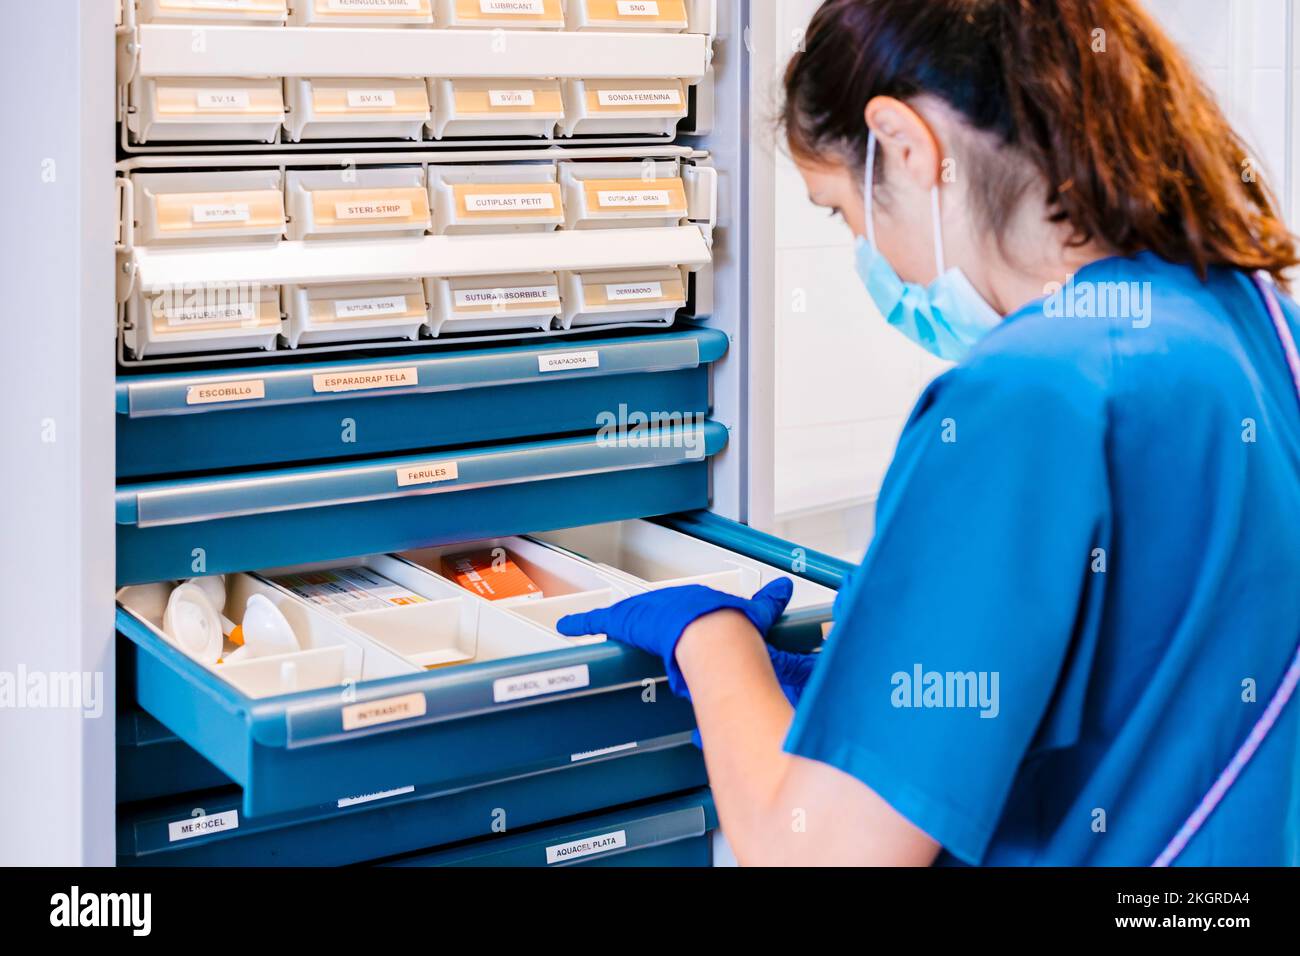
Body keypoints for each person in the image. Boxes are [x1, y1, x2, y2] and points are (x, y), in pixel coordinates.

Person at [558, 0, 1300, 866]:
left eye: (841, 210)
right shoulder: (1258, 324)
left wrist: (714, 642)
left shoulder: (1028, 399)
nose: (872, 255)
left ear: (904, 148)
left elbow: (817, 856)